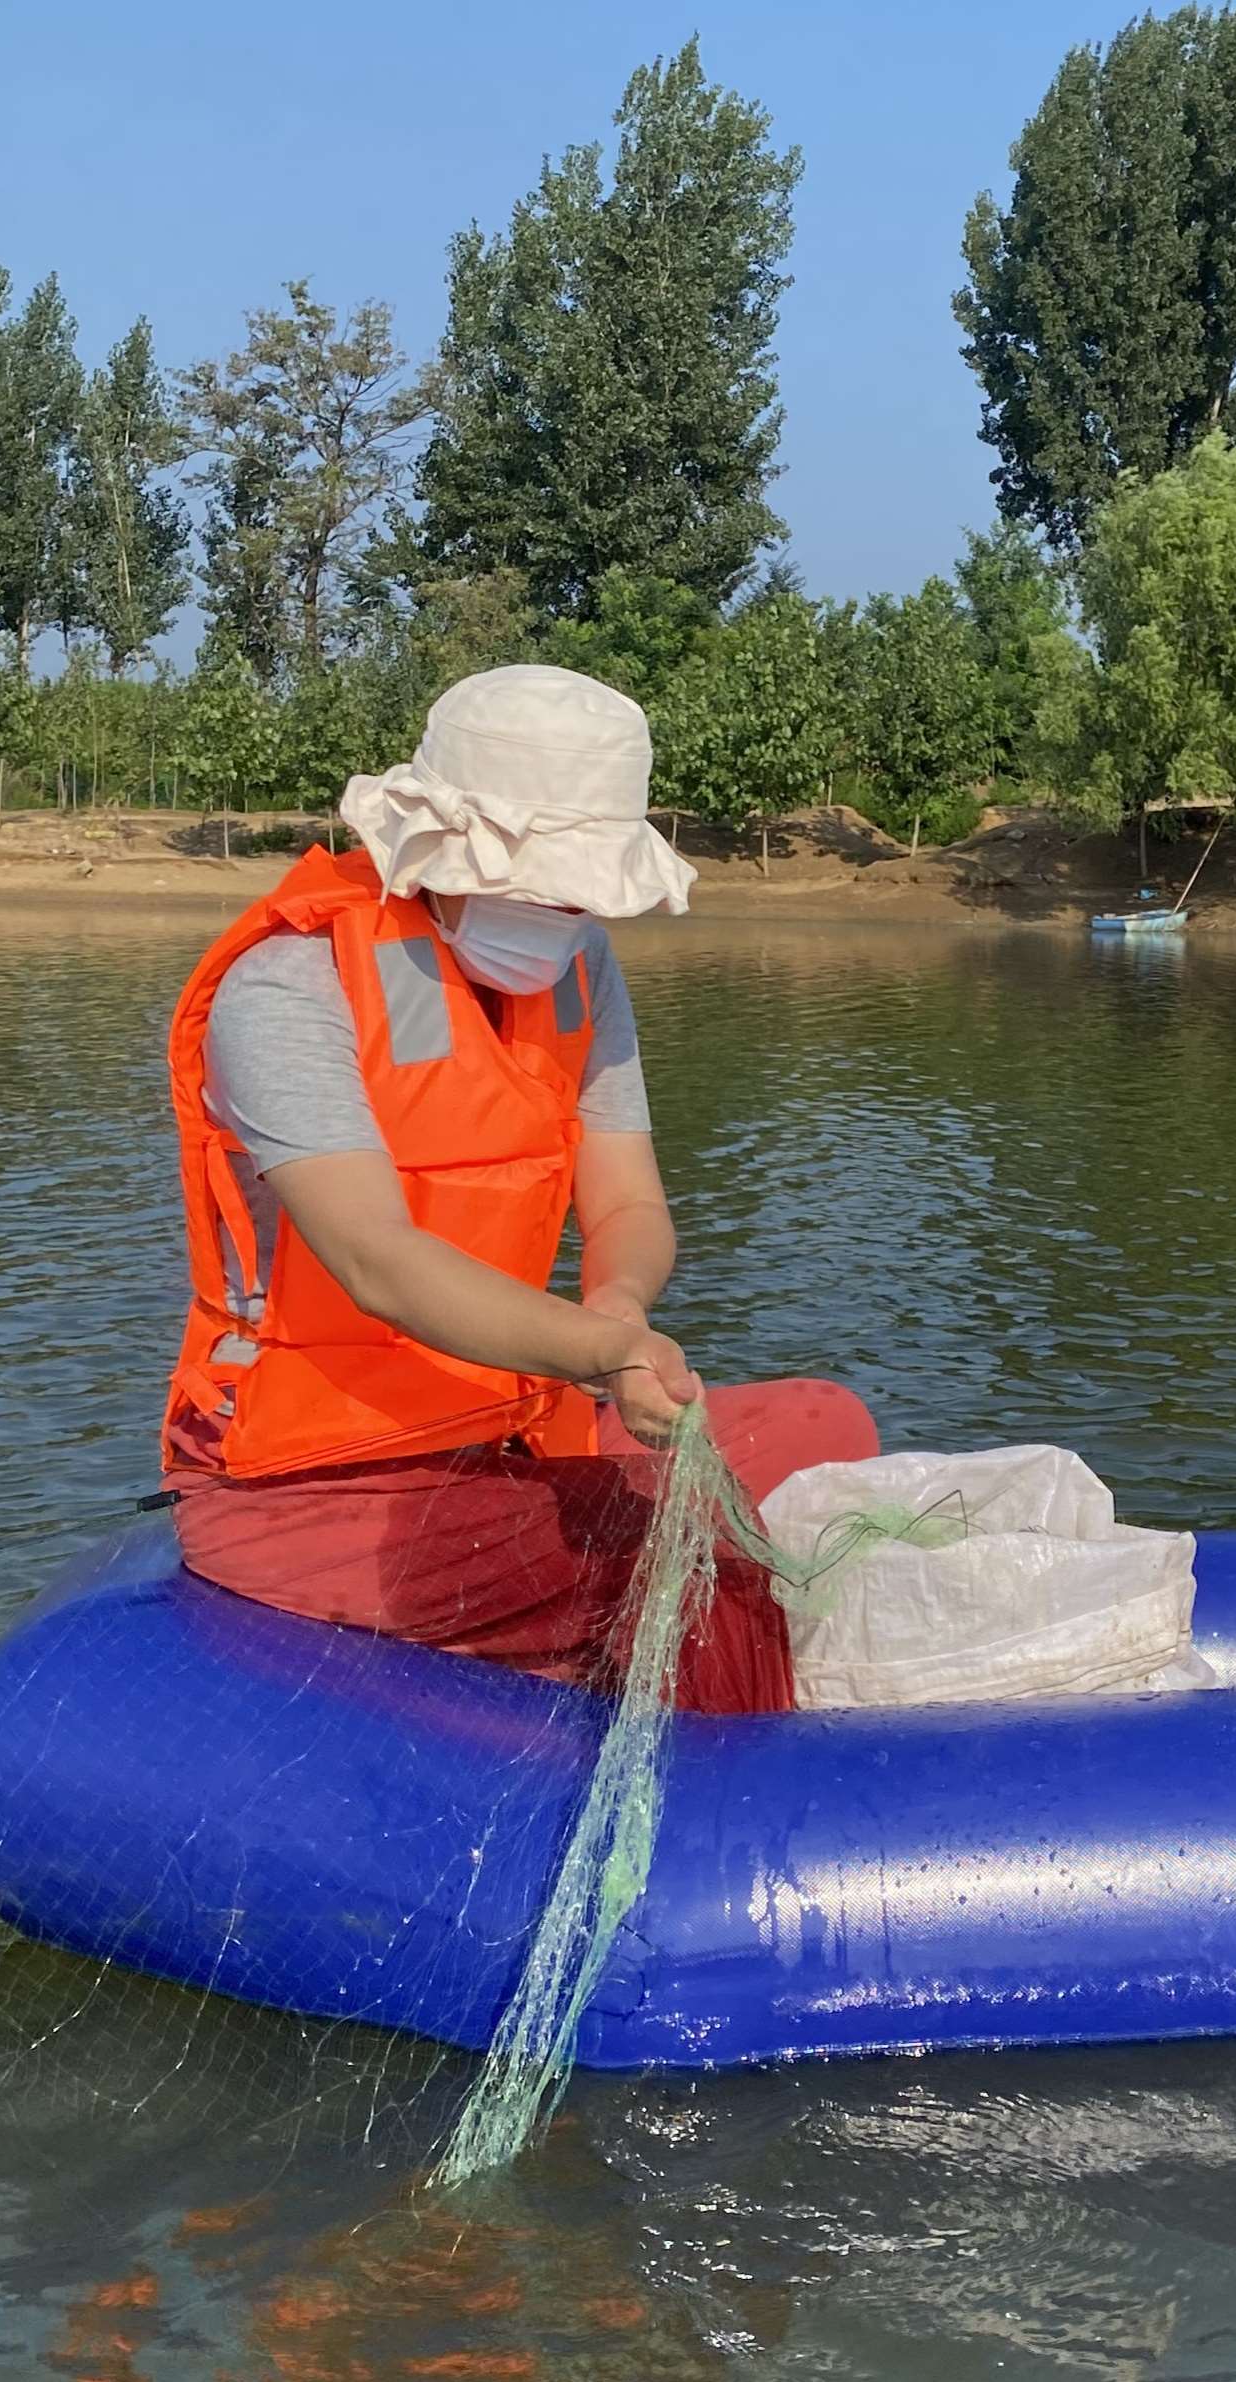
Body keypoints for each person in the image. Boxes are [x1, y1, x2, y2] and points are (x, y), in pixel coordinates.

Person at [161, 663, 877, 1712]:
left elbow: (629, 1203)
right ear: (442, 852)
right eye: (544, 888)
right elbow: (379, 1261)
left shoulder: (578, 970)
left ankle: (571, 1651)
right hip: (309, 1474)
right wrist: (601, 1353)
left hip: (511, 1424)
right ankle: (729, 1816)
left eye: (584, 894)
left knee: (828, 1424)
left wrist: (619, 1310)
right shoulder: (290, 984)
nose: (566, 914)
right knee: (673, 1555)